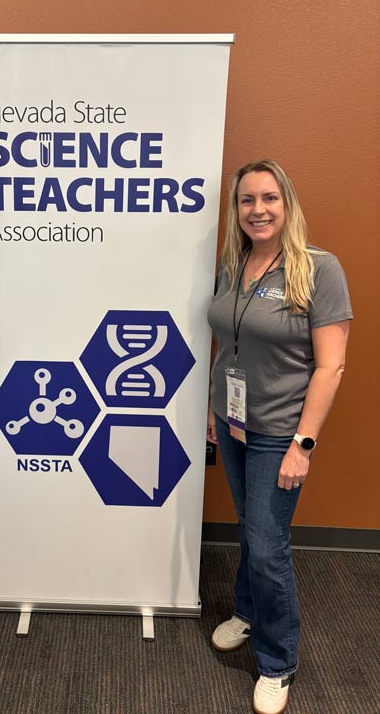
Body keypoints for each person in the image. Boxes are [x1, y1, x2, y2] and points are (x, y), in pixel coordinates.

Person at [207, 160, 352, 714]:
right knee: (251, 526)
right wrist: (216, 410)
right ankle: (247, 612)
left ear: (286, 203)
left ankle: (277, 661)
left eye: (269, 198)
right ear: (236, 209)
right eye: (247, 200)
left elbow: (331, 367)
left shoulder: (318, 268)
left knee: (268, 545)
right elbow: (228, 340)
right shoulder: (233, 264)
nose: (258, 209)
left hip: (280, 432)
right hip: (235, 421)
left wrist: (303, 444)